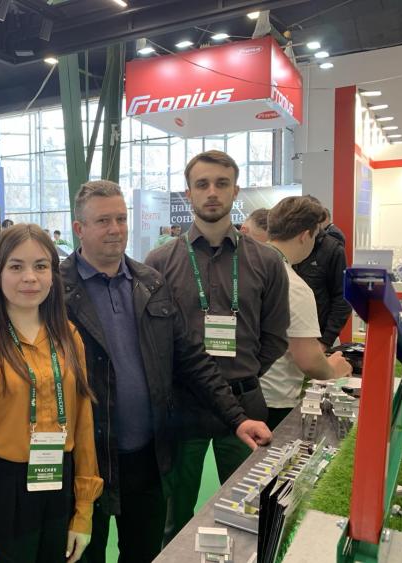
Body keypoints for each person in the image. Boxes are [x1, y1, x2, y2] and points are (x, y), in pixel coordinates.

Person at [62, 180, 271, 562]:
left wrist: (237, 418)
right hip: (87, 463)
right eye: (103, 220)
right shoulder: (57, 291)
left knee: (144, 553)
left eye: (121, 218)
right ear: (80, 228)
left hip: (149, 457)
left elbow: (192, 358)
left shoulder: (149, 282)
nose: (115, 229)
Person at [146, 150, 290, 542]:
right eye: (202, 184)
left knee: (248, 515)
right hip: (184, 406)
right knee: (173, 517)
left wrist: (242, 374)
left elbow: (275, 335)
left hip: (246, 402)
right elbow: (155, 339)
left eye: (222, 184)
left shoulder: (266, 261)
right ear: (188, 194)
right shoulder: (159, 263)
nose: (212, 192)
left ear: (235, 191)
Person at [0, 223, 103, 563]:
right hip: (0, 493)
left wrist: (84, 508)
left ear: (53, 275)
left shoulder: (68, 336)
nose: (30, 277)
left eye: (41, 266)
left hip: (58, 485)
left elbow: (83, 425)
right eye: (16, 266)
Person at [262, 197, 353, 429]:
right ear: (305, 235)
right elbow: (309, 361)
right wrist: (333, 368)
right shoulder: (293, 286)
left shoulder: (242, 269)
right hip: (274, 399)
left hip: (230, 396)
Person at [293, 198, 352, 349]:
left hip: (318, 338)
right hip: (287, 338)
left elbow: (343, 298)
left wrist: (325, 341)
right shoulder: (289, 245)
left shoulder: (332, 249)